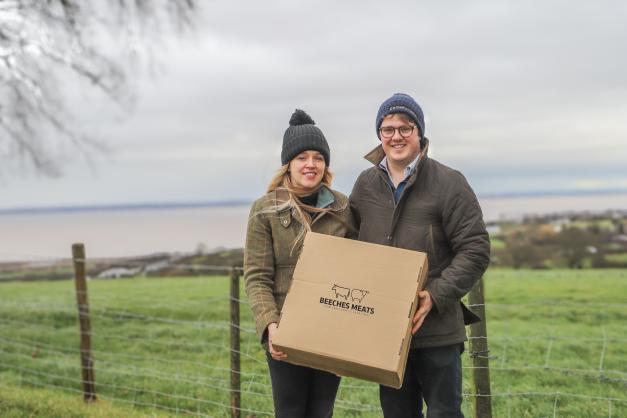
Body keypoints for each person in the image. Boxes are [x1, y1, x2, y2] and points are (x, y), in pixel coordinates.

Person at [349, 93, 490, 418]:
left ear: (419, 133)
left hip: (437, 329)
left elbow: (475, 247)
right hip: (385, 330)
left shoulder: (449, 182)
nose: (396, 136)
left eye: (405, 128)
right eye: (388, 129)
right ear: (379, 134)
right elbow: (352, 246)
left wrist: (435, 295)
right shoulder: (365, 184)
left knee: (444, 413)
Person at [244, 109, 352, 418]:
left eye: (318, 158)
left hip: (330, 328)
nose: (311, 164)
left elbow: (358, 268)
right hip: (285, 329)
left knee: (322, 412)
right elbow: (257, 276)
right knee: (290, 411)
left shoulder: (342, 207)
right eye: (302, 157)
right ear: (288, 164)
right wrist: (270, 325)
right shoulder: (265, 209)